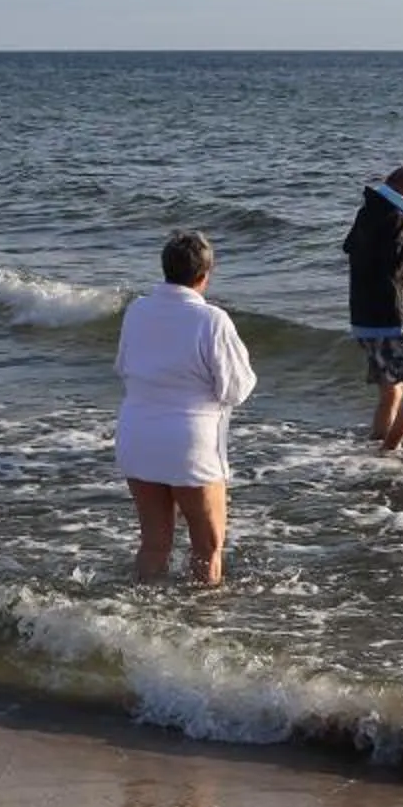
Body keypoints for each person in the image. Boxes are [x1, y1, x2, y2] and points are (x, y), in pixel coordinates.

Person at [114, 230, 257, 583]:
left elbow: (123, 366)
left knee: (154, 544)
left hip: (138, 435)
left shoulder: (137, 310)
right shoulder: (212, 320)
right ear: (204, 275)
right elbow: (236, 389)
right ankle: (202, 613)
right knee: (207, 548)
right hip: (190, 445)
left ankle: (141, 607)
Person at [343, 165, 403, 452]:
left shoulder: (368, 211)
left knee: (392, 390)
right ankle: (390, 450)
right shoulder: (396, 218)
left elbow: (349, 247)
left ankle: (377, 447)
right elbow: (399, 265)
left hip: (363, 319)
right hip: (389, 321)